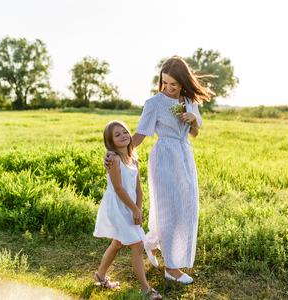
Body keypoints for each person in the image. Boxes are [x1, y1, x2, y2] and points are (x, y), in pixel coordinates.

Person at [105, 57, 215, 284]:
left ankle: (151, 242)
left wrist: (193, 118)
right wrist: (114, 151)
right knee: (168, 208)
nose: (168, 87)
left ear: (183, 81)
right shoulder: (153, 103)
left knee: (185, 207)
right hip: (163, 157)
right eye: (165, 82)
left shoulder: (190, 100)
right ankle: (171, 268)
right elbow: (139, 135)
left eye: (173, 84)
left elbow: (194, 134)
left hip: (184, 157)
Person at [93, 120, 162, 299]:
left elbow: (138, 188)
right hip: (118, 206)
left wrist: (137, 210)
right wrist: (134, 210)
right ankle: (145, 288)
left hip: (130, 207)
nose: (123, 136)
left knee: (117, 242)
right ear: (110, 141)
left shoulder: (134, 160)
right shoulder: (113, 159)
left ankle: (100, 275)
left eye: (125, 132)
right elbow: (118, 189)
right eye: (117, 134)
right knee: (138, 245)